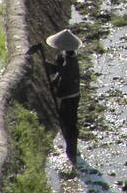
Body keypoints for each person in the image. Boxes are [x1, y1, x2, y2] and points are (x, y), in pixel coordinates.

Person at [45, 29, 83, 165]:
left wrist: (56, 90)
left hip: (70, 96)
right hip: (67, 94)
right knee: (66, 121)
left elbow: (64, 74)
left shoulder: (71, 61)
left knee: (70, 123)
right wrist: (55, 81)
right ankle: (70, 147)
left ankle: (72, 149)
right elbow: (59, 73)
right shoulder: (64, 55)